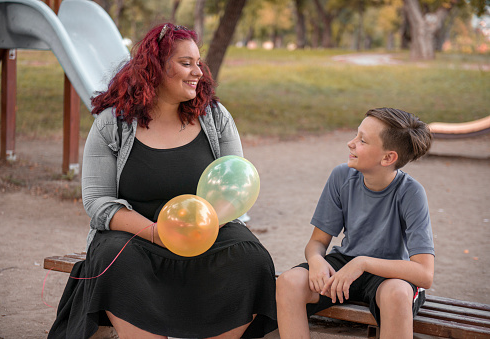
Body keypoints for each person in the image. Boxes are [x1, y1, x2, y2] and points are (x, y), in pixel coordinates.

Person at [48, 23, 277, 339]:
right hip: (136, 237)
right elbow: (98, 203)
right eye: (186, 63)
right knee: (113, 258)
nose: (198, 72)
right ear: (154, 68)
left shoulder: (215, 117)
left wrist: (195, 232)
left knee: (251, 256)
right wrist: (158, 233)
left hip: (205, 233)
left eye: (198, 63)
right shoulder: (112, 124)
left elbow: (234, 186)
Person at [276, 107, 435, 339]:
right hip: (344, 265)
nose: (351, 143)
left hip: (389, 273)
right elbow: (317, 242)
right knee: (289, 282)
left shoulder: (411, 193)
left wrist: (362, 263)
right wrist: (316, 260)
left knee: (398, 294)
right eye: (355, 135)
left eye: (362, 140)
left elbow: (424, 274)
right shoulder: (341, 177)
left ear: (388, 157)